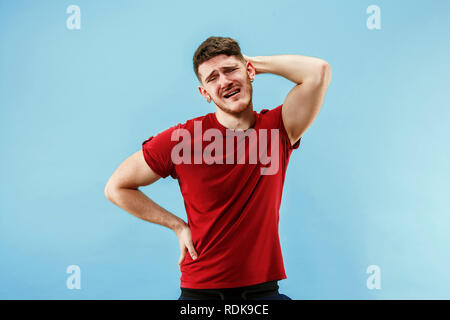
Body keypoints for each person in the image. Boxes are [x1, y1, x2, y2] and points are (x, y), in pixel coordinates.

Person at [104, 36, 331, 300]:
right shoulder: (183, 139)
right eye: (212, 78)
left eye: (230, 70)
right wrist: (177, 225)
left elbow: (318, 71)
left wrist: (250, 63)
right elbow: (116, 187)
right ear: (205, 93)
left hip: (263, 292)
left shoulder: (277, 129)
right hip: (201, 293)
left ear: (249, 73)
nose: (224, 81)